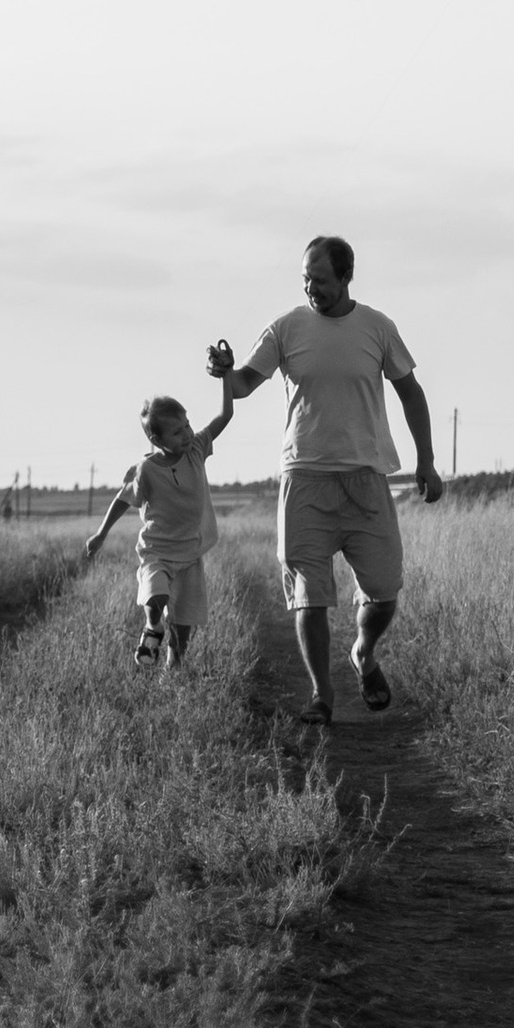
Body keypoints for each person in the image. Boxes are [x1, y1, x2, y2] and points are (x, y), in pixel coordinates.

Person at [207, 233, 441, 727]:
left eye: (320, 279)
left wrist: (426, 460)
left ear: (346, 276)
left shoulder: (377, 327)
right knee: (308, 597)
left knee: (384, 593)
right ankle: (321, 695)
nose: (311, 288)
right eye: (306, 279)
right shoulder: (286, 328)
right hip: (305, 479)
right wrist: (224, 372)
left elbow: (411, 392)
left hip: (365, 478)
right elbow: (244, 383)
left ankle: (363, 652)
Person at [81, 378, 233, 669]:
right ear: (157, 439)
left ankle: (172, 671)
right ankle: (153, 628)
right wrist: (101, 533)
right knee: (155, 598)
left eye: (187, 425)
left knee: (183, 629)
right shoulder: (146, 470)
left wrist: (226, 377)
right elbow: (123, 500)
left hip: (189, 554)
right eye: (177, 432)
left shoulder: (196, 449)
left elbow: (225, 415)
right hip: (157, 552)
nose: (187, 434)